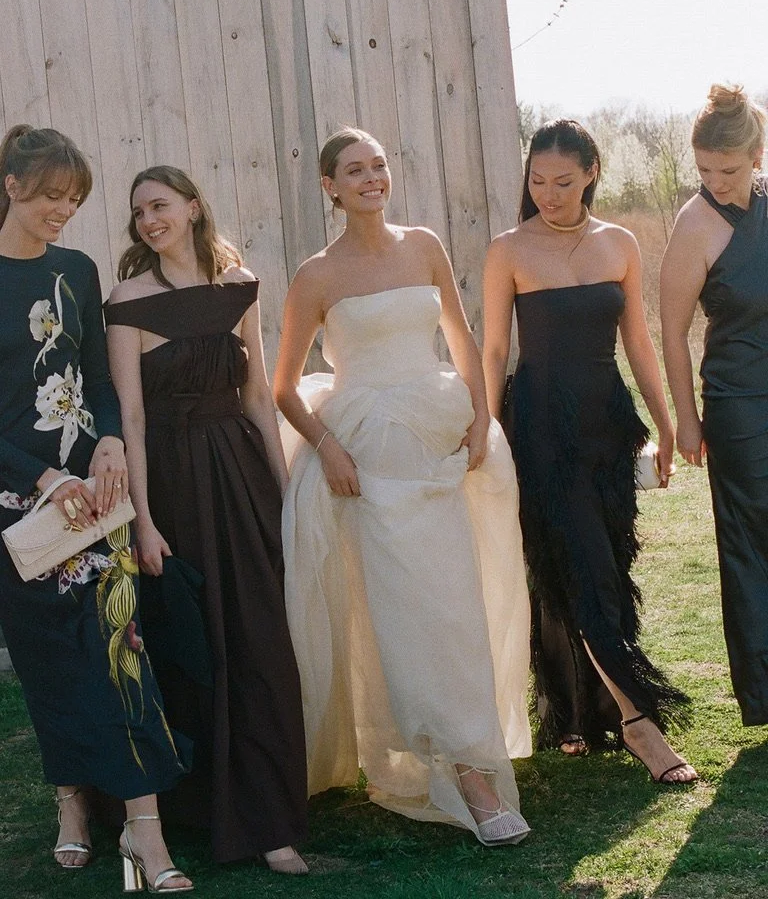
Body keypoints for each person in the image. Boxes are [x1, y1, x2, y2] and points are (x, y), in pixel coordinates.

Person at [274, 126, 532, 846]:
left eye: (380, 166)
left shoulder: (423, 246)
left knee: (455, 602)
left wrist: (482, 418)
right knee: (402, 612)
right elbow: (284, 387)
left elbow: (460, 335)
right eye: (355, 171)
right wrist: (326, 449)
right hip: (369, 453)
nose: (371, 179)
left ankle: (471, 751)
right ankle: (459, 775)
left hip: (439, 437)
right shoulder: (316, 275)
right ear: (330, 186)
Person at [0, 126, 193, 891]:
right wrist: (43, 479)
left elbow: (98, 378)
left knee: (121, 651)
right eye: (51, 195)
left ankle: (146, 835)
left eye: (73, 199)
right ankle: (71, 806)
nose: (63, 211)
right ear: (11, 185)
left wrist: (110, 441)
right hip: (21, 502)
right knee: (49, 662)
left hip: (96, 496)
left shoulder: (77, 271)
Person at [104, 166, 308, 872]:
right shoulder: (126, 300)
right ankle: (201, 813)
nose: (148, 221)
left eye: (159, 206)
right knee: (194, 646)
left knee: (260, 641)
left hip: (241, 475)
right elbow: (129, 416)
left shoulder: (239, 286)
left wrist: (285, 496)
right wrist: (142, 519)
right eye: (138, 214)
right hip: (173, 484)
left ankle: (272, 817)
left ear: (192, 207)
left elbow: (255, 396)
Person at [482, 118, 697, 784]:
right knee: (583, 566)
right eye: (537, 181)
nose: (548, 193)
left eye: (563, 182)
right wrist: (486, 435)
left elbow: (638, 342)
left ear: (592, 173)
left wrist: (665, 424)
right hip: (542, 428)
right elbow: (493, 351)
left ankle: (577, 713)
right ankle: (641, 723)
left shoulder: (621, 243)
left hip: (606, 424)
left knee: (603, 562)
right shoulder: (508, 250)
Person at [660, 83, 768, 727]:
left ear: (758, 156)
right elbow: (672, 331)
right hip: (739, 409)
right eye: (703, 170)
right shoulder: (694, 223)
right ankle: (762, 695)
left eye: (726, 171)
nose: (714, 182)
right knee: (751, 545)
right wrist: (686, 420)